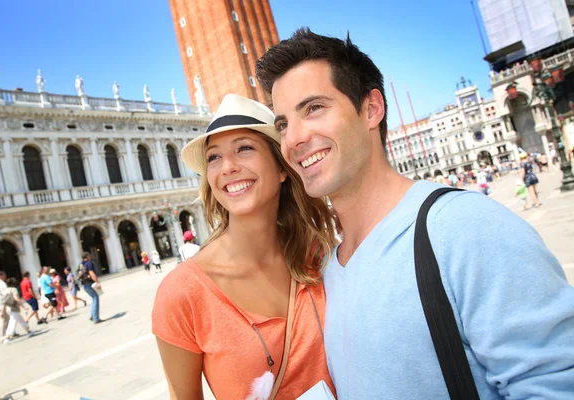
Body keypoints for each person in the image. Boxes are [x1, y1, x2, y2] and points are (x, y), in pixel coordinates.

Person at [256, 28, 574, 399]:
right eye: (283, 124)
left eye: (314, 108)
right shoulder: (329, 269)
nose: (293, 139)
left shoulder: (464, 229)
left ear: (371, 109)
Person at [152, 94, 338, 399]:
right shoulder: (182, 293)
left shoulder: (319, 255)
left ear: (281, 169)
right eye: (214, 157)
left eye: (244, 148)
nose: (227, 167)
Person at [1, 277, 34, 344]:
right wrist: (23, 306)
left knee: (20, 319)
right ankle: (8, 337)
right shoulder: (13, 289)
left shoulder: (5, 291)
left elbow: (3, 302)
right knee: (12, 322)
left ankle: (29, 330)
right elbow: (16, 298)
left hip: (8, 308)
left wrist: (1, 311)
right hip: (14, 308)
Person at [80, 252, 102, 324]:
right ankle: (96, 318)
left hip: (84, 284)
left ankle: (92, 315)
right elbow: (92, 274)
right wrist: (98, 282)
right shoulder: (88, 263)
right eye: (89, 255)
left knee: (93, 298)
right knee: (95, 298)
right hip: (90, 283)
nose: (90, 256)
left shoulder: (81, 264)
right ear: (87, 256)